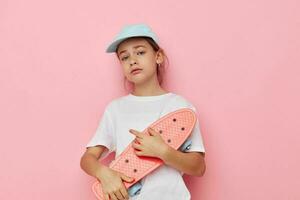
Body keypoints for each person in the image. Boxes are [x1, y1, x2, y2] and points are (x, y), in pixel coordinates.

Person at [80, 23, 206, 200]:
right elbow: (87, 159)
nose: (132, 60)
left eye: (140, 52)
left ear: (158, 56)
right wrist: (103, 173)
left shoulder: (180, 107)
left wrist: (163, 152)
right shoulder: (116, 109)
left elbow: (198, 167)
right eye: (124, 57)